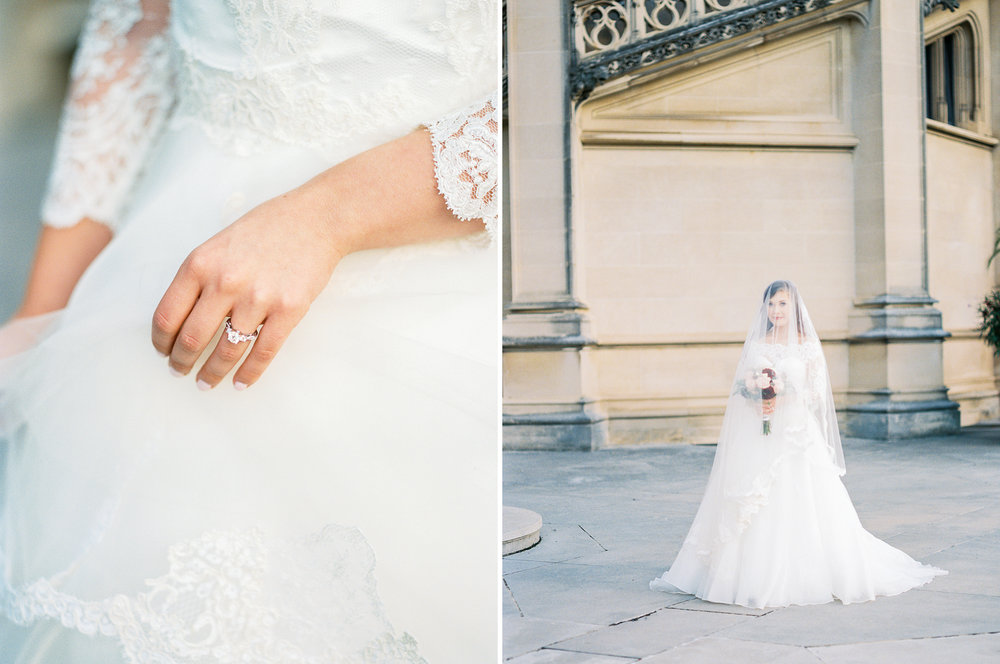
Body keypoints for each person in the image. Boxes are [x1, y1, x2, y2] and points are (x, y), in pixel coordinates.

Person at [0, 1, 498, 662]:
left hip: (427, 285)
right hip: (159, 279)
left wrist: (325, 217)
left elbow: (571, 79)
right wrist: (42, 310)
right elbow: (133, 29)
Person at [650, 280, 945, 608]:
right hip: (758, 433)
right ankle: (740, 572)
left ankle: (803, 571)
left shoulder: (807, 345)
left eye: (782, 304)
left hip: (795, 433)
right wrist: (755, 389)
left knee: (802, 494)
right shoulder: (757, 342)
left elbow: (818, 393)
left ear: (794, 308)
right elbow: (742, 387)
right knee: (750, 498)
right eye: (771, 304)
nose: (776, 311)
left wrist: (786, 390)